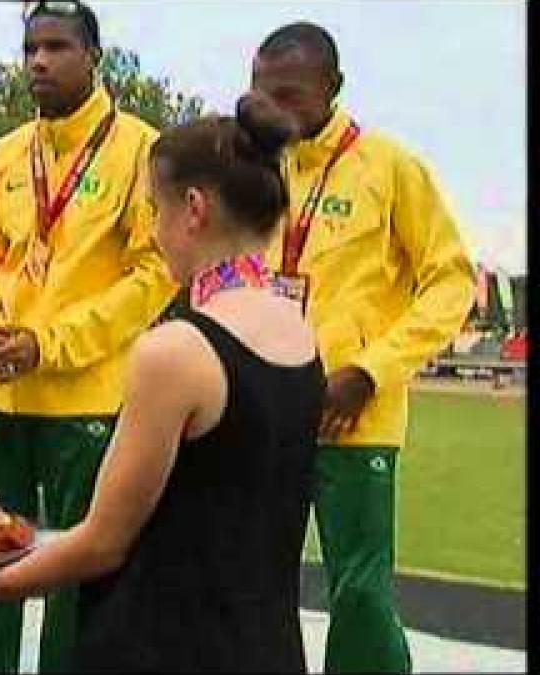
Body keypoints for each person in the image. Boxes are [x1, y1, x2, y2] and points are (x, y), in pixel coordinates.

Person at [0, 92, 325, 673]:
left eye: (155, 210)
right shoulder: (301, 333)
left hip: (166, 649)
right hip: (267, 649)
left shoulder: (176, 351)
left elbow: (102, 543)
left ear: (194, 209)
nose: (153, 232)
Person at [0, 1, 178, 671]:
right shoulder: (5, 155)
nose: (39, 61)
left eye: (56, 47)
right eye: (29, 49)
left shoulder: (141, 149)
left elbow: (154, 273)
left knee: (80, 585)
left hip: (89, 400)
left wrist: (51, 342)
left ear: (93, 56)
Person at [251, 22, 476, 673]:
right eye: (264, 95)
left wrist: (370, 371)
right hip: (267, 413)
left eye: (290, 96)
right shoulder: (258, 167)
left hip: (354, 417)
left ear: (334, 87)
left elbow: (450, 281)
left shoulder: (390, 167)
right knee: (253, 579)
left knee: (359, 593)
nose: (275, 111)